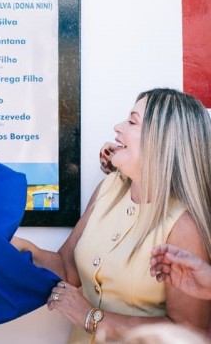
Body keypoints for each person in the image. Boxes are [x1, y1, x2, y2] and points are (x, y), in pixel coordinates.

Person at [12, 88, 211, 342]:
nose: (118, 127)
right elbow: (66, 267)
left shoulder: (184, 226)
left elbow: (186, 331)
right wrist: (12, 246)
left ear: (162, 140)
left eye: (132, 121)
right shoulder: (109, 188)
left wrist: (91, 316)